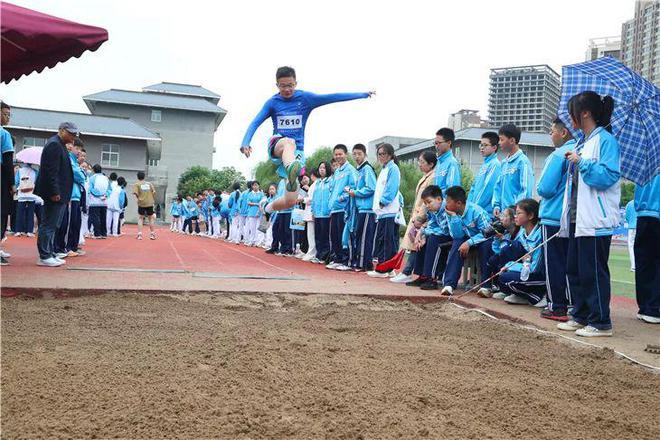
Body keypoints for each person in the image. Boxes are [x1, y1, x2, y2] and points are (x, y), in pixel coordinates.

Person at [241, 66, 374, 213]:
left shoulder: (305, 99)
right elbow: (255, 122)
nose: (287, 89)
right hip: (278, 144)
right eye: (283, 86)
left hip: (297, 152)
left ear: (296, 83)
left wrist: (361, 94)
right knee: (288, 142)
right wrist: (245, 142)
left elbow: (332, 97)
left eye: (290, 85)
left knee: (290, 200)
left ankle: (267, 208)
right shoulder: (272, 102)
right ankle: (291, 167)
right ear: (277, 85)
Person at [557, 91, 620, 338]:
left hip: (595, 219)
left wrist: (582, 162)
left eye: (572, 112)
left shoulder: (606, 140)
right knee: (575, 269)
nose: (569, 118)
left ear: (585, 113)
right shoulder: (582, 141)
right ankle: (580, 314)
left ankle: (600, 321)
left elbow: (607, 177)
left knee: (593, 270)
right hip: (576, 216)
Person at [536, 118, 576, 321]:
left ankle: (556, 306)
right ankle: (571, 304)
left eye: (552, 131)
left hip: (553, 216)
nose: (550, 135)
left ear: (564, 133)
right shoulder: (581, 151)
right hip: (573, 217)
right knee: (570, 263)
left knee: (554, 264)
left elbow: (544, 188)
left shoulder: (558, 155)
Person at [33, 122, 76, 266]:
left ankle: (50, 252)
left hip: (61, 192)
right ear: (62, 131)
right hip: (54, 193)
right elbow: (50, 171)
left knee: (53, 225)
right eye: (71, 133)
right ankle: (44, 256)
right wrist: (54, 191)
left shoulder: (60, 145)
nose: (73, 136)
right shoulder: (54, 145)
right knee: (48, 224)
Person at [393, 150, 437, 283]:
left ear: (431, 164)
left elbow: (428, 200)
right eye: (419, 161)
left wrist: (421, 217)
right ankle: (408, 271)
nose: (419, 164)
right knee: (413, 243)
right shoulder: (425, 176)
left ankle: (407, 271)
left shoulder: (432, 177)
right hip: (417, 215)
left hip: (422, 217)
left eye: (422, 162)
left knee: (415, 244)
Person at [440, 185, 493, 296]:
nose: (445, 204)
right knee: (457, 243)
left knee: (486, 245)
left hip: (482, 239)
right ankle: (449, 284)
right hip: (465, 239)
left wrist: (469, 242)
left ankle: (486, 286)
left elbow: (488, 232)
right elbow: (457, 235)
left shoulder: (477, 211)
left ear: (458, 203)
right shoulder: (450, 213)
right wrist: (454, 217)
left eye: (448, 202)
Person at [497, 199, 546, 306]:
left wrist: (510, 266)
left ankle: (538, 296)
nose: (515, 216)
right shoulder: (522, 233)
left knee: (505, 278)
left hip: (539, 276)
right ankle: (521, 294)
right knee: (502, 275)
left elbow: (535, 269)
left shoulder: (540, 236)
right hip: (525, 269)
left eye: (519, 213)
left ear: (530, 215)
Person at [408, 185, 453, 290]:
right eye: (425, 203)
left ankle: (432, 278)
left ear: (439, 199)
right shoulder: (433, 210)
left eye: (429, 202)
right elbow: (431, 225)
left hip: (450, 236)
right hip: (438, 234)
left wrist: (427, 234)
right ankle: (423, 275)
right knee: (422, 241)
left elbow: (444, 229)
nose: (427, 206)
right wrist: (422, 234)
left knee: (433, 239)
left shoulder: (446, 209)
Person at [367, 143, 401, 278]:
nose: (381, 156)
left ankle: (384, 269)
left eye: (383, 154)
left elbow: (392, 187)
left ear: (390, 155)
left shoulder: (393, 168)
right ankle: (387, 268)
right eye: (379, 154)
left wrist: (383, 201)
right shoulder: (385, 169)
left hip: (388, 210)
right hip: (382, 212)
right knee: (383, 240)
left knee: (388, 241)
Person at [492, 124, 535, 217]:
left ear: (512, 140)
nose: (499, 143)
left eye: (501, 139)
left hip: (515, 216)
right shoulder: (504, 163)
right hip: (504, 216)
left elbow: (526, 190)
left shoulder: (523, 162)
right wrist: (496, 206)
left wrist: (516, 211)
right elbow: (498, 186)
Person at [326, 145, 358, 271]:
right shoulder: (337, 171)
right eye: (336, 154)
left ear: (346, 154)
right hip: (334, 209)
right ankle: (338, 259)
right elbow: (333, 189)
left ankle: (346, 260)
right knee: (334, 236)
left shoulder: (350, 170)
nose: (338, 156)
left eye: (340, 154)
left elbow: (353, 187)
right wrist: (331, 203)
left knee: (343, 236)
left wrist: (341, 198)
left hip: (344, 209)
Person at [633, 174, 659, 324]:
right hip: (656, 213)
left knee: (643, 262)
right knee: (655, 262)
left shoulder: (646, 157)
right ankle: (654, 308)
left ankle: (644, 307)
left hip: (643, 214)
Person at [481, 206, 523, 299]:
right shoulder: (507, 233)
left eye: (504, 215)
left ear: (513, 220)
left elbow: (518, 249)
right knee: (494, 259)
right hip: (510, 261)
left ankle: (511, 290)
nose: (501, 218)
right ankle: (502, 289)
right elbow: (497, 251)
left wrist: (504, 240)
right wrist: (497, 238)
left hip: (521, 262)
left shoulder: (521, 233)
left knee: (504, 253)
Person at [54, 138, 87, 258]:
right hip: (70, 196)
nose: (78, 152)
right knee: (67, 224)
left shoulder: (73, 161)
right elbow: (78, 175)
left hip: (75, 196)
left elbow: (81, 176)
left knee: (74, 223)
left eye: (80, 149)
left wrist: (81, 174)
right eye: (76, 148)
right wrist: (81, 174)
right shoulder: (68, 159)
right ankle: (65, 248)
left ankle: (69, 247)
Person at [348, 143, 377, 272]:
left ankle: (364, 264)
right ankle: (361, 262)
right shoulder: (359, 170)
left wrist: (356, 192)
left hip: (367, 209)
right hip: (360, 208)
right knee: (360, 235)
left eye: (359, 154)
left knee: (365, 237)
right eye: (354, 154)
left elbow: (371, 188)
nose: (356, 156)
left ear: (365, 154)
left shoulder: (367, 169)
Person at [467, 131, 501, 215]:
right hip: (474, 211)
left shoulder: (495, 164)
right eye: (481, 145)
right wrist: (468, 206)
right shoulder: (484, 165)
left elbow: (487, 189)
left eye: (485, 145)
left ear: (494, 147)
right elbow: (473, 188)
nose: (482, 148)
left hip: (484, 212)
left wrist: (474, 208)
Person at [1, 101, 15, 265]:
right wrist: (11, 184)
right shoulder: (4, 135)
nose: (8, 118)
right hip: (2, 176)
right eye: (5, 114)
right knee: (2, 213)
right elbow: (7, 160)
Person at [310, 162, 333, 263]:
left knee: (325, 235)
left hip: (326, 213)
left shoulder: (331, 181)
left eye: (324, 168)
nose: (321, 169)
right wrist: (312, 211)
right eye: (320, 168)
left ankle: (325, 256)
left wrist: (330, 209)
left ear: (327, 169)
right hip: (317, 213)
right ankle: (319, 255)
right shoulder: (317, 183)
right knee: (318, 235)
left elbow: (332, 196)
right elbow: (314, 198)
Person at [433, 128, 461, 195]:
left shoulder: (452, 163)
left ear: (449, 143)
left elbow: (452, 192)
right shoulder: (439, 163)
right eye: (435, 143)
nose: (436, 146)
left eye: (438, 143)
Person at [14, 162, 38, 237]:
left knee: (20, 213)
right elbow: (37, 182)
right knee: (30, 213)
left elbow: (16, 182)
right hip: (31, 193)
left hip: (21, 194)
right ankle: (29, 231)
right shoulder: (35, 171)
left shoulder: (19, 171)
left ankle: (18, 230)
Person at [87, 164, 111, 239]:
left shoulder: (92, 178)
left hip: (94, 201)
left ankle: (97, 234)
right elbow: (109, 189)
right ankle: (104, 233)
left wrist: (98, 195)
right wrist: (105, 195)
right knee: (103, 217)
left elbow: (90, 189)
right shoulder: (106, 178)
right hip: (104, 201)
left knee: (95, 217)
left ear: (93, 170)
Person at [132, 171, 157, 240]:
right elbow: (154, 192)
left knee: (141, 218)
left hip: (141, 203)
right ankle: (152, 234)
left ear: (138, 177)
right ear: (144, 177)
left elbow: (136, 193)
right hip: (150, 203)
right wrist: (151, 198)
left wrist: (139, 198)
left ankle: (140, 235)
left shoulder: (137, 184)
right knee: (150, 218)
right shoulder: (149, 184)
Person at [245, 181, 264, 246]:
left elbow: (263, 202)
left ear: (259, 186)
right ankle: (251, 241)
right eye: (254, 185)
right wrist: (256, 204)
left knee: (258, 228)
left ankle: (257, 241)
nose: (255, 186)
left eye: (257, 185)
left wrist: (256, 204)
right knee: (252, 228)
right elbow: (248, 202)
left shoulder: (261, 194)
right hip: (251, 212)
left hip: (259, 212)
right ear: (252, 186)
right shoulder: (250, 194)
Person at [106, 173, 122, 237]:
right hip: (116, 205)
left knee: (108, 220)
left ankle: (108, 232)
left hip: (109, 204)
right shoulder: (119, 187)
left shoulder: (109, 184)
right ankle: (115, 233)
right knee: (115, 220)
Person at [624, 198, 637, 272]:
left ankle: (633, 266)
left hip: (632, 227)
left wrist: (630, 222)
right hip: (641, 226)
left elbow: (627, 217)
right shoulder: (642, 201)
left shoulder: (629, 204)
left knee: (631, 246)